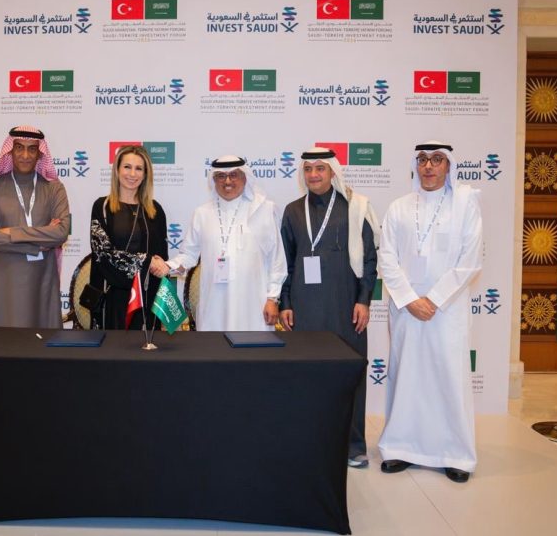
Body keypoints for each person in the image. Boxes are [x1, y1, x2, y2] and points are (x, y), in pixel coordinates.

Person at [377, 140, 483, 483]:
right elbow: (387, 258)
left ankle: (455, 454)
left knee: (447, 377)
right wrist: (410, 299)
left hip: (447, 310)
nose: (429, 166)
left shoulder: (465, 206)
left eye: (437, 160)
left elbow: (470, 261)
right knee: (407, 376)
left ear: (448, 166)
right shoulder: (399, 207)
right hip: (406, 309)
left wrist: (434, 299)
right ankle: (400, 447)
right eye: (423, 159)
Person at [279, 147, 379, 469]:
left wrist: (364, 299)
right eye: (308, 169)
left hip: (345, 306)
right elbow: (285, 263)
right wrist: (285, 302)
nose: (313, 175)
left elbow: (369, 259)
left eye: (320, 168)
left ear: (332, 171)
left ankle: (353, 445)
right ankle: (308, 442)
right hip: (304, 307)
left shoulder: (355, 207)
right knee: (306, 375)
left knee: (349, 374)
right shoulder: (293, 211)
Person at [166, 155, 286, 331]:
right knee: (214, 346)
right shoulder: (202, 213)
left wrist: (272, 298)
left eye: (234, 175)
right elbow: (189, 255)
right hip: (213, 305)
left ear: (245, 177)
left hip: (254, 306)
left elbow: (277, 259)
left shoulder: (264, 209)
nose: (227, 181)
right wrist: (168, 266)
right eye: (221, 176)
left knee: (254, 346)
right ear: (214, 180)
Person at [0, 125, 70, 328]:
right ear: (10, 151)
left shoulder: (54, 189)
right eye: (19, 148)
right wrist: (39, 243)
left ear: (40, 154)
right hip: (3, 285)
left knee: (41, 344)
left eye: (32, 149)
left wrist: (10, 232)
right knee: (1, 345)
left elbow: (61, 233)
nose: (25, 155)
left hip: (42, 283)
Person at [88, 145, 170, 329]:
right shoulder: (102, 207)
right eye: (127, 167)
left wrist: (160, 265)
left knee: (146, 347)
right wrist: (146, 261)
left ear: (145, 174)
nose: (132, 174)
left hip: (147, 298)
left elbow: (161, 258)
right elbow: (104, 254)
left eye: (139, 168)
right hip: (112, 298)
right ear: (117, 170)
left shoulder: (155, 210)